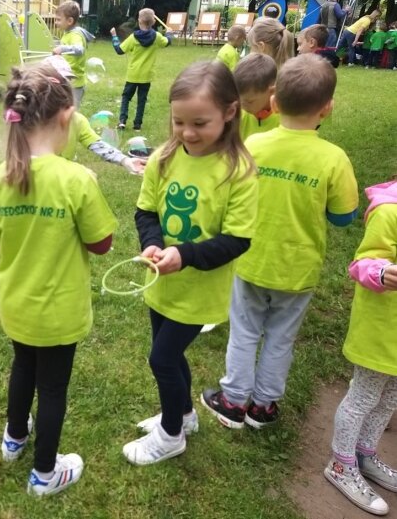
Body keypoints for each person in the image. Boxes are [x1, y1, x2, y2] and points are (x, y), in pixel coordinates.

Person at [201, 54, 358, 430]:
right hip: (297, 269)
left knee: (244, 332)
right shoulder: (334, 159)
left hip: (251, 261)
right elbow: (343, 217)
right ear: (327, 107)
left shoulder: (254, 145)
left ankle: (234, 400)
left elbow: (228, 195)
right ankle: (263, 407)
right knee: (280, 338)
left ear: (274, 101)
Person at [0, 64, 117, 496]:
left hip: (17, 305)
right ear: (66, 118)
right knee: (53, 387)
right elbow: (102, 245)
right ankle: (44, 474)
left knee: (23, 367)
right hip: (59, 312)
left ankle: (14, 438)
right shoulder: (77, 180)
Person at [123, 61, 258, 464]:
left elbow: (237, 240)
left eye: (200, 122)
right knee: (169, 353)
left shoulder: (238, 172)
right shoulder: (165, 157)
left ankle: (170, 436)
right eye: (179, 121)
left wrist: (186, 255)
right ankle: (182, 415)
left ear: (229, 112)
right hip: (163, 282)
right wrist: (152, 243)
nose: (187, 133)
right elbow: (146, 211)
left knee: (161, 358)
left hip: (199, 290)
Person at [323, 179, 397, 516]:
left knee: (389, 400)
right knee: (365, 397)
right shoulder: (388, 212)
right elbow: (362, 262)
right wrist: (382, 272)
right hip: (382, 330)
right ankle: (341, 464)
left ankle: (365, 455)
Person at [43, 55, 143, 174]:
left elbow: (97, 144)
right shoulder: (27, 119)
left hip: (63, 179)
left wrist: (125, 160)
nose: (64, 89)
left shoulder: (76, 120)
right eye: (57, 84)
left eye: (67, 83)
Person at [109, 8, 172, 131]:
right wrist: (169, 33)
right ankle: (137, 125)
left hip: (133, 74)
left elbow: (119, 50)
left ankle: (122, 121)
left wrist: (114, 36)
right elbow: (167, 42)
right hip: (146, 76)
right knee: (141, 100)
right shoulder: (157, 37)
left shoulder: (133, 37)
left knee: (126, 97)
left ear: (139, 21)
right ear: (153, 21)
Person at [53, 0, 93, 107]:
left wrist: (62, 48)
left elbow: (79, 49)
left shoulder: (75, 34)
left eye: (58, 20)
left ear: (70, 21)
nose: (56, 22)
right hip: (67, 79)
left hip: (75, 82)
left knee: (71, 112)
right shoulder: (68, 33)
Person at [233, 54, 279, 141]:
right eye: (239, 99)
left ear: (272, 91)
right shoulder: (238, 114)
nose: (242, 106)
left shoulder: (285, 119)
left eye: (249, 101)